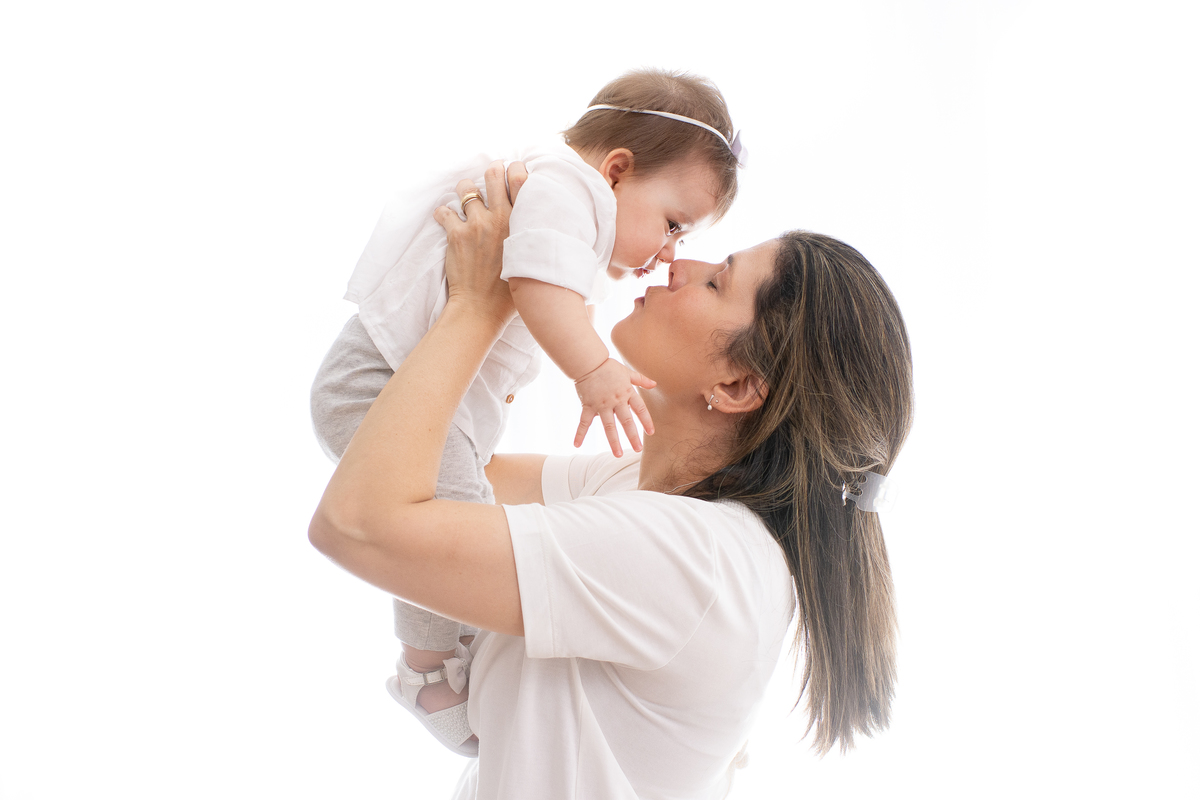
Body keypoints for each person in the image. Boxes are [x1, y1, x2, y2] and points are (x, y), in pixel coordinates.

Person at [309, 164, 914, 798]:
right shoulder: (645, 490)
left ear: (736, 386)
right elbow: (436, 469)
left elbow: (359, 522)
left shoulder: (696, 558)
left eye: (716, 283)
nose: (680, 265)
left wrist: (478, 306)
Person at [312, 70, 744, 750]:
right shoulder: (569, 190)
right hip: (370, 383)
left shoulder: (576, 201)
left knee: (463, 505)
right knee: (445, 515)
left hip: (390, 386)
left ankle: (441, 652)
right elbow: (533, 280)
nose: (669, 256)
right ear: (617, 170)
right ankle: (426, 673)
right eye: (672, 224)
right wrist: (592, 369)